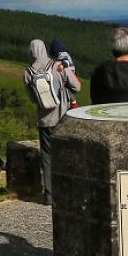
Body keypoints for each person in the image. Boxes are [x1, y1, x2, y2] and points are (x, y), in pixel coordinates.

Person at [23, 38, 81, 205]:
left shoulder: (28, 72)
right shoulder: (58, 65)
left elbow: (33, 99)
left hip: (44, 121)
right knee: (67, 154)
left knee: (47, 157)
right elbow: (77, 87)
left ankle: (49, 195)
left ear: (32, 52)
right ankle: (68, 191)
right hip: (63, 117)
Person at [49, 39, 79, 108]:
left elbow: (66, 61)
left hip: (71, 76)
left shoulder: (63, 54)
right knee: (69, 91)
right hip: (72, 75)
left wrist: (62, 65)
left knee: (68, 91)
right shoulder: (63, 53)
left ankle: (73, 105)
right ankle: (73, 103)